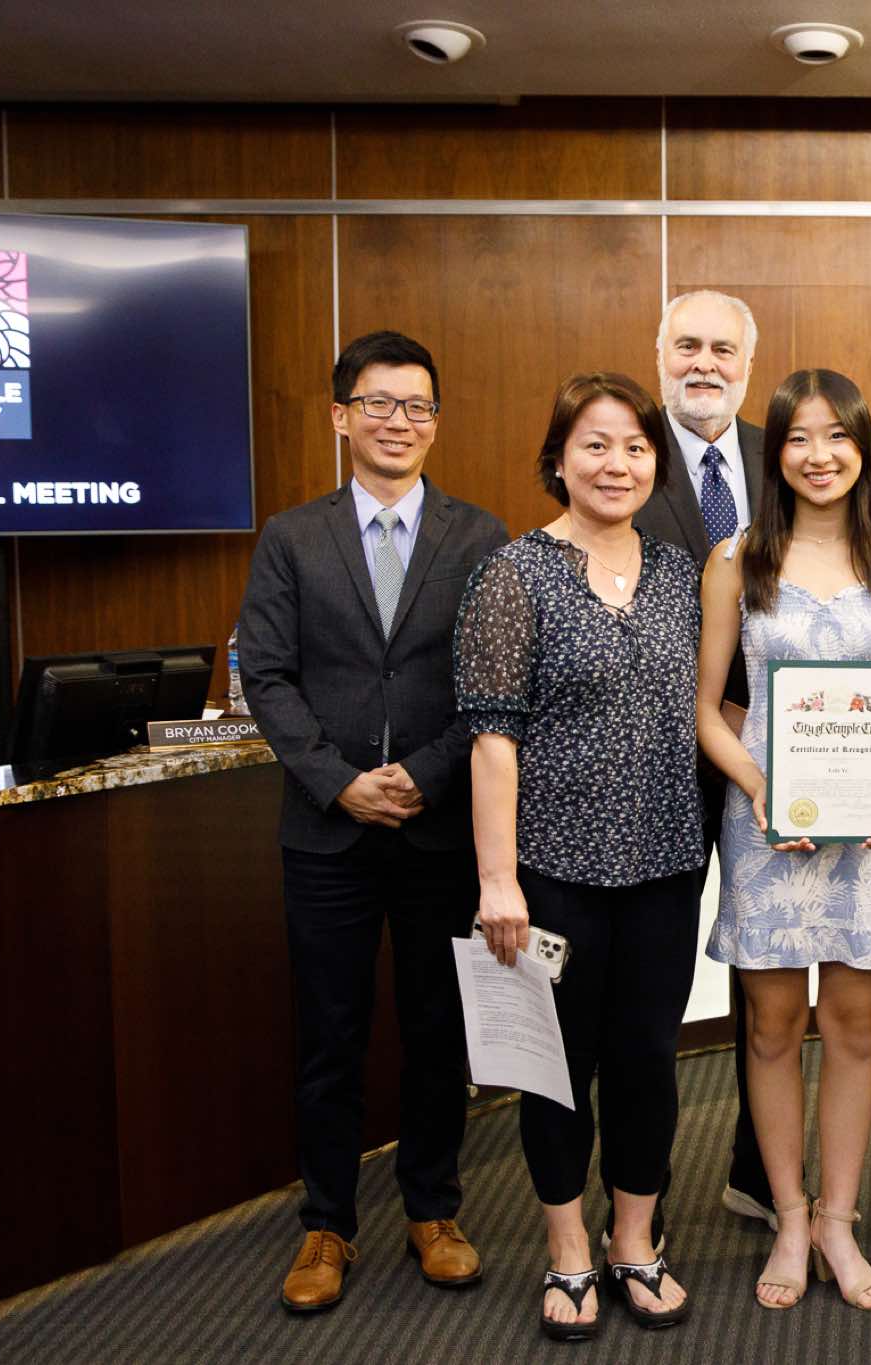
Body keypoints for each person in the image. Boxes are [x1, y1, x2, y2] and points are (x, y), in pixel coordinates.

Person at [238, 330, 507, 1314]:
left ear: (436, 422)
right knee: (330, 1033)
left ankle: (433, 1209)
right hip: (327, 833)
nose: (400, 421)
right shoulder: (291, 537)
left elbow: (493, 681)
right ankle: (327, 1222)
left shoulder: (479, 536)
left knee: (439, 1030)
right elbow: (265, 675)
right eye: (379, 403)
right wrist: (339, 781)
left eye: (418, 406)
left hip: (437, 828)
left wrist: (426, 776)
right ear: (341, 415)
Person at [457, 373, 704, 1340]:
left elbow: (718, 705)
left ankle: (633, 1239)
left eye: (636, 447)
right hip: (550, 873)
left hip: (666, 864)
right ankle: (566, 1249)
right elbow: (492, 741)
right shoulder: (513, 574)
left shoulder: (683, 574)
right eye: (595, 444)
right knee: (554, 1068)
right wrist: (497, 880)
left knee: (647, 1060)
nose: (617, 464)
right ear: (558, 458)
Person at [696, 368, 871, 1313]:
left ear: (863, 447)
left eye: (837, 435)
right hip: (769, 826)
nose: (819, 454)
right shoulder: (737, 558)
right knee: (771, 1027)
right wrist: (763, 788)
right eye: (798, 437)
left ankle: (839, 1219)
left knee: (852, 1024)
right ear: (775, 453)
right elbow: (708, 710)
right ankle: (789, 1216)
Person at [633, 290, 773, 1227]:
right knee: (654, 991)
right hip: (654, 763)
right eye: (687, 345)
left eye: (724, 349)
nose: (705, 363)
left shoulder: (786, 453)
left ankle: (759, 1172)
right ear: (660, 355)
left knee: (770, 980)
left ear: (749, 365)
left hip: (776, 762)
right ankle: (640, 1193)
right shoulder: (623, 449)